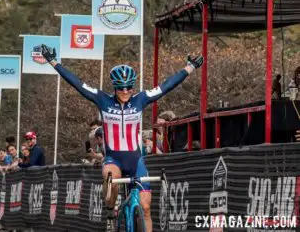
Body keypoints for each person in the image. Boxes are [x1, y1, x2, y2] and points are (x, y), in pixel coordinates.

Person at [40, 44, 203, 232]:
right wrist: (53, 62)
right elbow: (77, 83)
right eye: (121, 88)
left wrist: (189, 67)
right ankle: (111, 210)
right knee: (110, 175)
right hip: (113, 159)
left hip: (136, 159)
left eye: (129, 87)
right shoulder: (103, 100)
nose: (125, 91)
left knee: (146, 207)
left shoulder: (141, 99)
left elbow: (166, 86)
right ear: (114, 87)